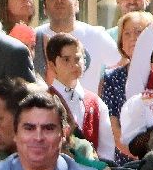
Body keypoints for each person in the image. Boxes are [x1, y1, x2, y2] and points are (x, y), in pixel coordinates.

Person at [34, 0, 119, 94]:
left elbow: (122, 66)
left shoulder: (97, 36)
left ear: (77, 5)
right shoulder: (34, 38)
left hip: (86, 109)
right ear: (44, 8)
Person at [46, 33, 114, 161]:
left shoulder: (95, 102)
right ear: (52, 65)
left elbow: (107, 150)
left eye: (78, 59)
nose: (74, 65)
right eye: (66, 59)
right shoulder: (44, 100)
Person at [100, 10, 153, 160]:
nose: (133, 39)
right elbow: (113, 126)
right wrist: (137, 157)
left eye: (139, 32)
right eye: (127, 34)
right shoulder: (111, 77)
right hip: (124, 160)